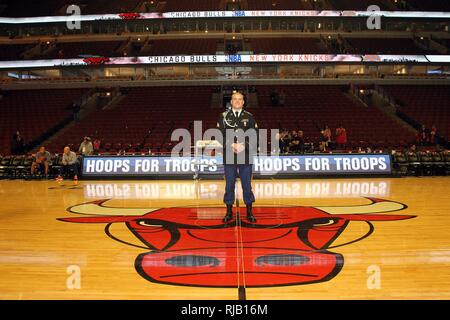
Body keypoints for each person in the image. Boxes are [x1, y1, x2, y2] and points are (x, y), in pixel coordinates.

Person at [217, 91, 258, 223]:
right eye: (235, 99)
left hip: (245, 156)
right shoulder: (223, 116)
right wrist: (232, 144)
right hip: (229, 156)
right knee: (229, 185)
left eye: (240, 99)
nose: (237, 101)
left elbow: (254, 135)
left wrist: (243, 145)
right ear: (231, 101)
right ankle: (229, 212)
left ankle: (249, 212)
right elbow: (219, 135)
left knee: (247, 185)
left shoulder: (249, 117)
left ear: (243, 102)